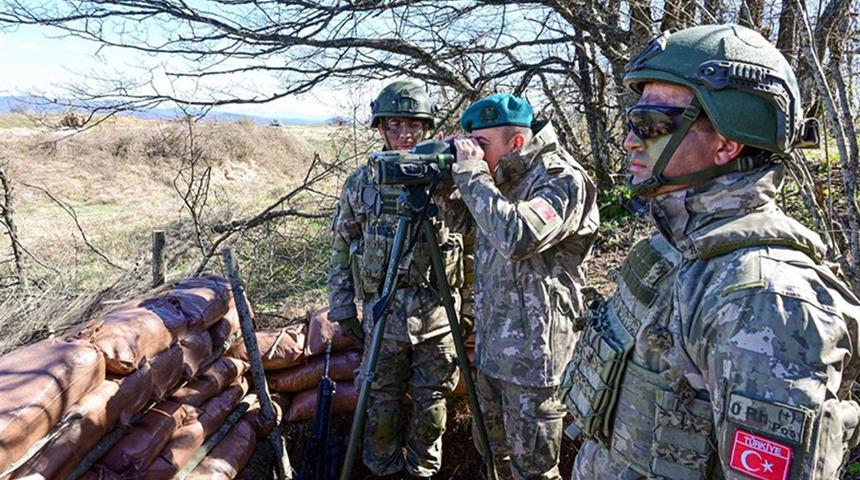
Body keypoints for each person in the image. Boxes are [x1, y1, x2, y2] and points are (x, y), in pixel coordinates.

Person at [563, 24, 860, 479]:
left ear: (726, 143)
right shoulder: (674, 248)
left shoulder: (764, 302)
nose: (629, 140)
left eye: (652, 125)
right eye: (632, 121)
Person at [450, 93, 600, 480]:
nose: (475, 154)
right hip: (493, 349)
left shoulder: (561, 178)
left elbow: (517, 236)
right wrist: (443, 188)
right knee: (492, 456)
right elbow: (475, 227)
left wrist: (472, 175)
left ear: (516, 142)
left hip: (536, 360)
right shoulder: (499, 176)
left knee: (533, 469)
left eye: (482, 145)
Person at [327, 80, 466, 479]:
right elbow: (343, 246)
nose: (405, 135)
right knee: (381, 405)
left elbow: (471, 249)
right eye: (395, 126)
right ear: (381, 128)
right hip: (383, 313)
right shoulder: (362, 181)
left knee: (433, 406)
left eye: (413, 126)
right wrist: (342, 308)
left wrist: (468, 309)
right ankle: (382, 469)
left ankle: (423, 471)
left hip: (438, 315)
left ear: (428, 128)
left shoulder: (450, 181)